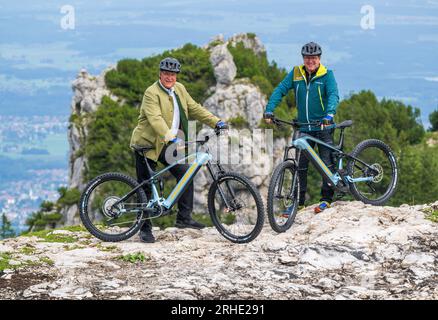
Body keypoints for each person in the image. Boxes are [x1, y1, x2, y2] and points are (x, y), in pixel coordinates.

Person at [130, 57, 228, 243]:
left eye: (173, 74)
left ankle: (184, 218)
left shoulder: (180, 89)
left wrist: (216, 121)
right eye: (166, 74)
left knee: (186, 173)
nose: (169, 77)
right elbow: (155, 119)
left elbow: (195, 109)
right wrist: (171, 137)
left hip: (167, 144)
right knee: (145, 186)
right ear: (160, 74)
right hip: (148, 144)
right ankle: (144, 229)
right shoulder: (151, 93)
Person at [263, 42, 339, 214]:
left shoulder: (327, 75)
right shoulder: (296, 73)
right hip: (304, 128)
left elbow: (333, 95)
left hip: (323, 127)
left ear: (319, 59)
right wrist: (269, 109)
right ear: (303, 58)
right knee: (300, 167)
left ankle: (326, 200)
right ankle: (299, 203)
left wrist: (329, 115)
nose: (310, 61)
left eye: (313, 58)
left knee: (326, 165)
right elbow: (280, 90)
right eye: (307, 58)